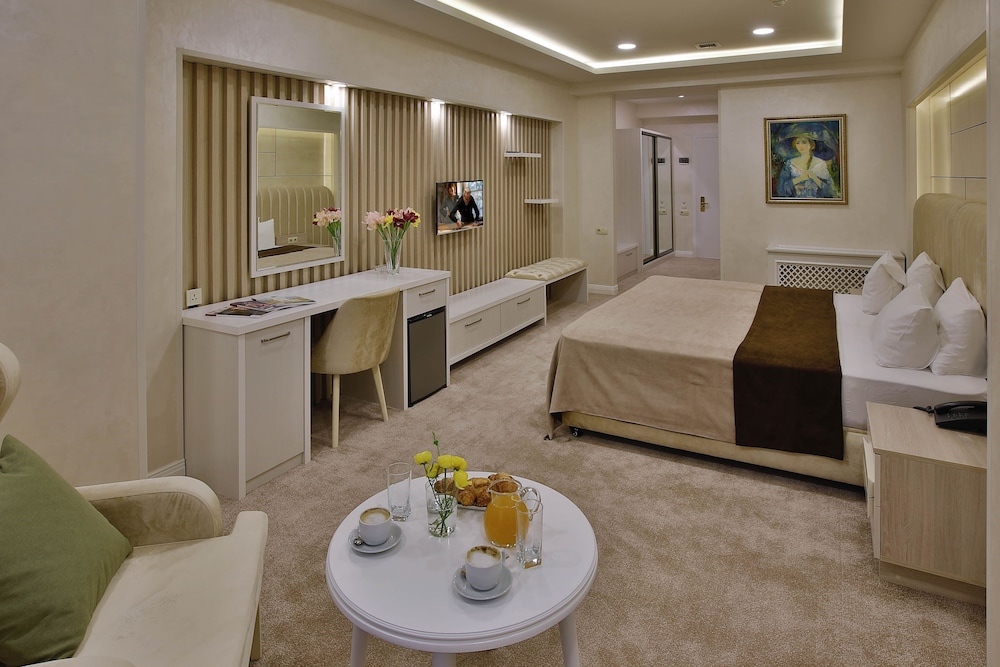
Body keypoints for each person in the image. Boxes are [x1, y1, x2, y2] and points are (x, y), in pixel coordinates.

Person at [776, 133, 837, 199]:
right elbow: (781, 188)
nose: (800, 145)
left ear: (812, 145)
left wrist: (813, 177)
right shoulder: (790, 163)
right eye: (797, 143)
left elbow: (830, 191)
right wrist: (799, 179)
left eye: (804, 142)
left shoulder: (820, 164)